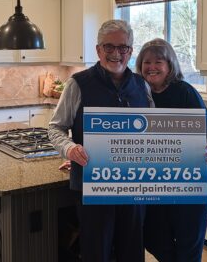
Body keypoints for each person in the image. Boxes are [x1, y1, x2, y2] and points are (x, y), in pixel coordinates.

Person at [48, 19, 153, 262]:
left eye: (123, 47)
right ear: (98, 50)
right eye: (109, 47)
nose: (116, 54)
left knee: (132, 251)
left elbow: (153, 133)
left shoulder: (141, 85)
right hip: (93, 185)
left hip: (134, 185)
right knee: (97, 251)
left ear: (130, 50)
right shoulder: (78, 84)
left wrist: (186, 151)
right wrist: (70, 149)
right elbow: (55, 129)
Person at [135, 38, 207, 262]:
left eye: (158, 62)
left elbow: (206, 134)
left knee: (189, 240)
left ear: (170, 65)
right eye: (146, 62)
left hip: (192, 177)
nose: (151, 67)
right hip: (155, 179)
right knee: (152, 235)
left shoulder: (185, 92)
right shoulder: (137, 93)